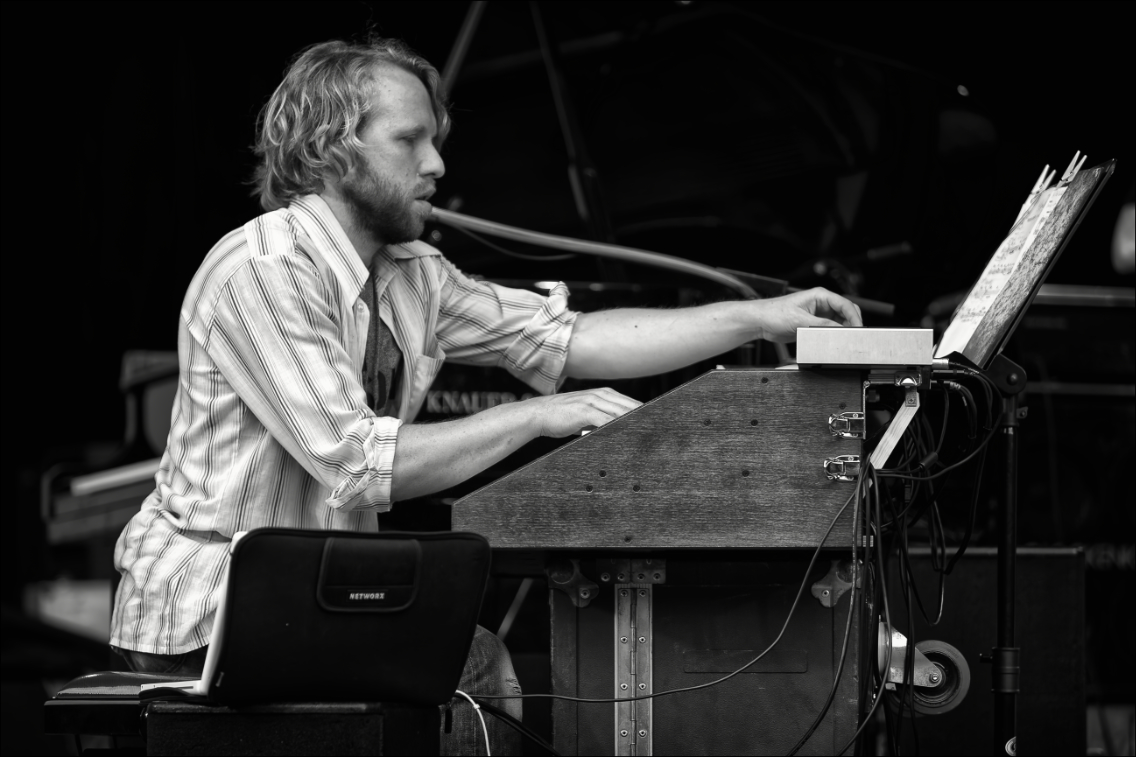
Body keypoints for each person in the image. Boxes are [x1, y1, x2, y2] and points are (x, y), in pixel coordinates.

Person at [109, 37, 862, 755]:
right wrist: (537, 414)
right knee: (472, 668)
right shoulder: (264, 269)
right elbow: (358, 464)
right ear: (332, 148)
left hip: (309, 601)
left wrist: (761, 314)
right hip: (212, 610)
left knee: (475, 660)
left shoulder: (411, 272)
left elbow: (570, 340)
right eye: (411, 141)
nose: (438, 163)